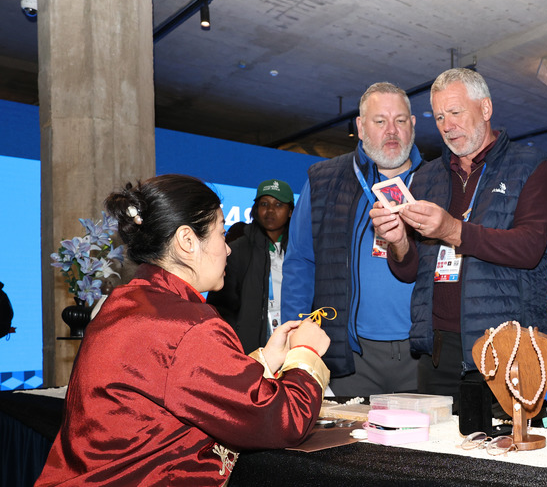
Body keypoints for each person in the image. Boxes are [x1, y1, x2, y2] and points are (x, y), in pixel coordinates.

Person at [36, 174, 330, 486]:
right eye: (221, 233)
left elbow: (183, 382)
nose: (228, 249)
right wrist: (305, 354)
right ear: (187, 241)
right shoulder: (188, 325)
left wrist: (267, 359)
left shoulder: (125, 302)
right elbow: (281, 420)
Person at [370, 68, 547, 401]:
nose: (447, 125)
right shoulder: (427, 176)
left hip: (506, 348)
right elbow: (409, 271)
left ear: (485, 109)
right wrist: (398, 242)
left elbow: (530, 249)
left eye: (455, 112)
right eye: (439, 117)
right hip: (437, 351)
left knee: (502, 437)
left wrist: (452, 230)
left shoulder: (529, 166)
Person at [282, 82, 424, 396]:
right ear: (360, 127)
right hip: (350, 357)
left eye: (400, 120)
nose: (391, 130)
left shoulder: (436, 180)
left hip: (423, 358)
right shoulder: (323, 181)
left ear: (413, 125)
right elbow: (300, 264)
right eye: (380, 121)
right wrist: (296, 336)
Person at [207, 179, 294, 353]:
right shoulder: (238, 250)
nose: (270, 210)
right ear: (255, 208)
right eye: (264, 204)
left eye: (278, 204)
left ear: (290, 211)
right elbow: (221, 306)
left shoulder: (300, 250)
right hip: (250, 350)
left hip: (293, 340)